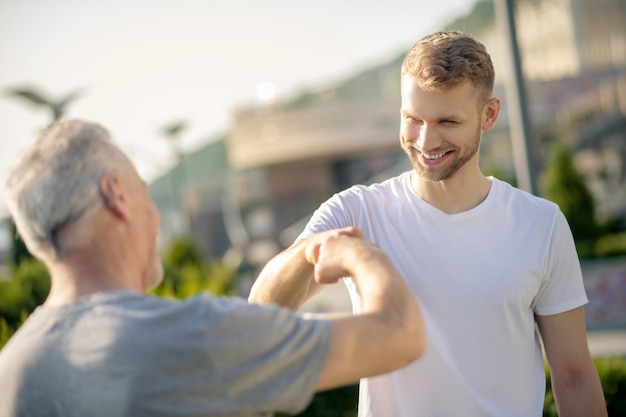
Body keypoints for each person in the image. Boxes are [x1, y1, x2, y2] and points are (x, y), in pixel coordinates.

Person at [249, 30, 607, 416]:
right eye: (412, 119)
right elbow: (260, 311)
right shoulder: (355, 212)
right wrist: (313, 250)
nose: (426, 140)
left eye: (446, 121)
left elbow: (573, 376)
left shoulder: (541, 224)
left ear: (489, 115)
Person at [0, 119, 426, 417]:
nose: (156, 216)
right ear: (116, 194)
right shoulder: (185, 336)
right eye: (143, 189)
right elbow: (398, 335)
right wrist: (358, 255)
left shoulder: (12, 370)